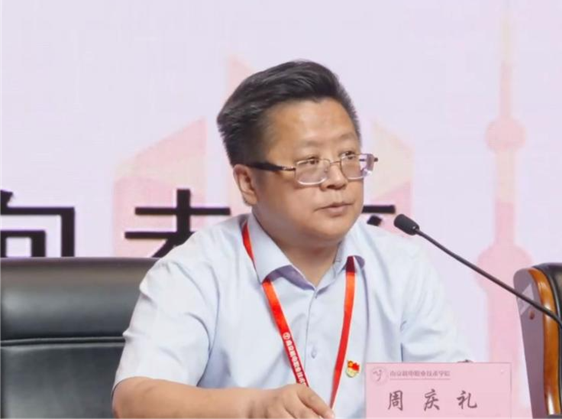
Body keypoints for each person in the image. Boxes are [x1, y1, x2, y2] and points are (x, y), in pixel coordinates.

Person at [112, 60, 470, 419]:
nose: (337, 179)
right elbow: (135, 400)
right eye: (309, 163)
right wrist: (253, 408)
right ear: (248, 183)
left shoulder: (401, 267)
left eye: (348, 156)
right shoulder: (196, 270)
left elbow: (453, 398)